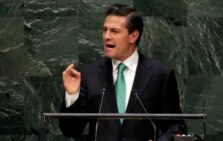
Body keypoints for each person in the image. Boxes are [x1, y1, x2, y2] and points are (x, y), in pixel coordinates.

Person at [59, 3, 187, 141]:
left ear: (133, 36)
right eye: (104, 30)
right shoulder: (89, 74)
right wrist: (72, 96)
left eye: (114, 31)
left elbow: (176, 127)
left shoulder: (160, 75)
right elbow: (70, 130)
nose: (106, 36)